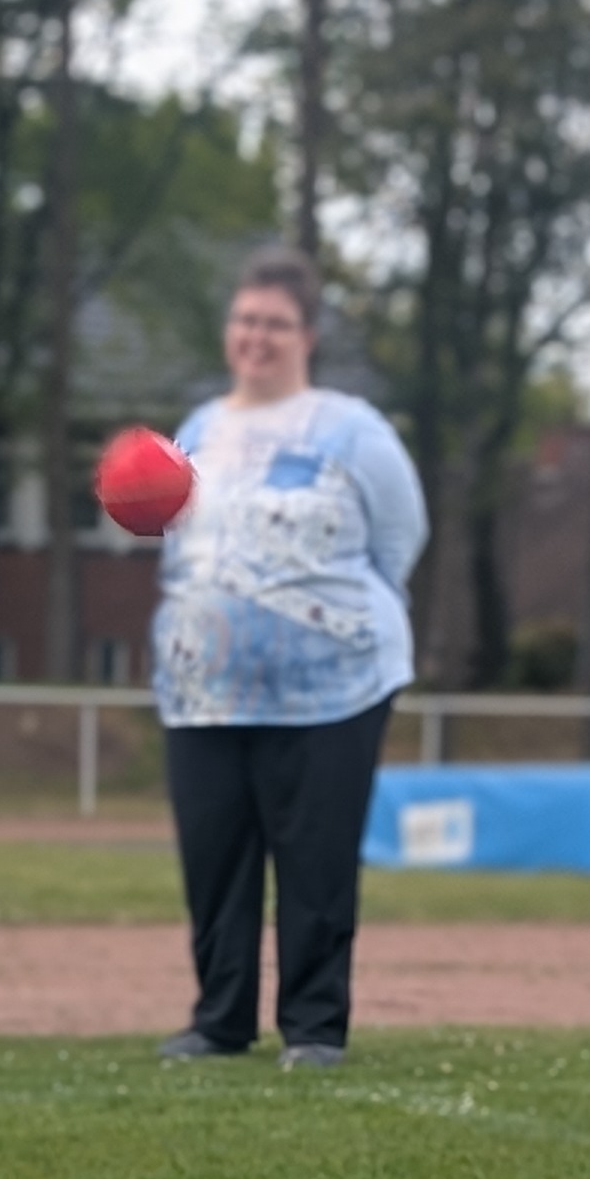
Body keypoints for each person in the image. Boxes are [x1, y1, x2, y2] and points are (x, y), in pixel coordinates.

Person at [149, 243, 426, 1067]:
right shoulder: (198, 428)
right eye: (244, 320)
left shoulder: (353, 430)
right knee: (215, 856)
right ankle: (219, 1018)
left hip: (332, 688)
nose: (255, 337)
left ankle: (313, 1025)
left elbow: (400, 539)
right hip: (205, 689)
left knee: (315, 857)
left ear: (307, 335)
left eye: (275, 323)